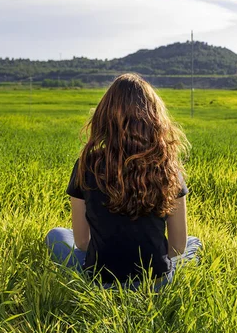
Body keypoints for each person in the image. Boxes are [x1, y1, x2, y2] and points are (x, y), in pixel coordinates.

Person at [45, 73, 202, 290]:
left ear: (104, 116)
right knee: (194, 243)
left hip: (101, 282)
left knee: (56, 235)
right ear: (154, 118)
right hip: (156, 284)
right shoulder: (167, 166)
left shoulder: (87, 163)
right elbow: (177, 247)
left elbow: (82, 242)